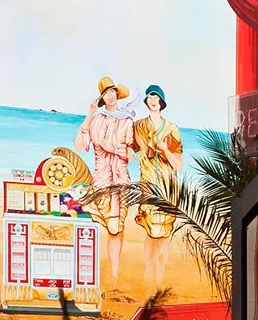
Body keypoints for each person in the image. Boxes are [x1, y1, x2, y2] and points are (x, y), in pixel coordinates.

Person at [76, 77, 136, 235]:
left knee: (117, 228)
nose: (110, 96)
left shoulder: (127, 121)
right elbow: (80, 145)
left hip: (121, 180)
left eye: (112, 91)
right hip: (101, 180)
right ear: (101, 98)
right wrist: (90, 113)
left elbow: (129, 150)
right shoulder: (97, 120)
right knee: (111, 228)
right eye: (105, 93)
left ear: (117, 94)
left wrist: (112, 147)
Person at [132, 85, 181, 240]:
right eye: (150, 98)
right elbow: (131, 145)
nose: (153, 101)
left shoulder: (171, 128)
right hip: (147, 182)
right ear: (146, 101)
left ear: (161, 101)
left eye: (156, 97)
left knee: (162, 232)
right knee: (152, 231)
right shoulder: (139, 126)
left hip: (166, 186)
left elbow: (178, 164)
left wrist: (166, 151)